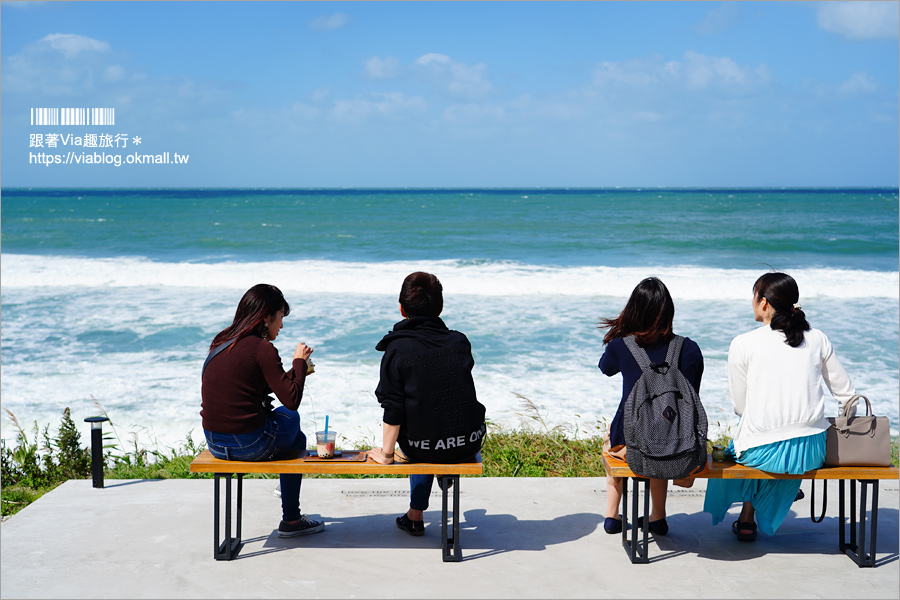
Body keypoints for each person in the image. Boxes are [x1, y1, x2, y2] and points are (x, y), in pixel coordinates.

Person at [703, 272, 856, 541]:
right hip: (809, 451)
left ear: (763, 303)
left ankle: (747, 514)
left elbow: (740, 406)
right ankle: (755, 510)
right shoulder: (818, 338)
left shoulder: (743, 343)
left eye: (753, 296)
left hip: (763, 451)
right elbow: (848, 397)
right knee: (769, 437)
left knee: (747, 439)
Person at [367, 272, 487, 536]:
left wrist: (386, 455)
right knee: (432, 408)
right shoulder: (459, 341)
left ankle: (416, 516)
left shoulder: (398, 349)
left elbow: (393, 406)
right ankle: (416, 511)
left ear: (402, 309)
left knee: (419, 426)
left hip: (425, 447)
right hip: (468, 441)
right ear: (440, 307)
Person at [200, 283, 324, 538]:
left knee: (297, 438)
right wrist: (299, 363)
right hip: (248, 443)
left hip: (214, 440)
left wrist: (296, 373)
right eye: (280, 318)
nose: (282, 325)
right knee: (293, 418)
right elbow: (290, 400)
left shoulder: (222, 342)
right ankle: (290, 519)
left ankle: (291, 516)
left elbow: (260, 385)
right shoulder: (262, 348)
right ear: (266, 317)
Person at [598, 277, 704, 536]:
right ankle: (658, 517)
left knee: (610, 445)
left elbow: (605, 368)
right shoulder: (689, 349)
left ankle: (612, 516)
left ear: (633, 310)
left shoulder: (621, 346)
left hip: (628, 441)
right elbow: (694, 393)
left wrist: (621, 338)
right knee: (662, 440)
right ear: (668, 311)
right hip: (676, 442)